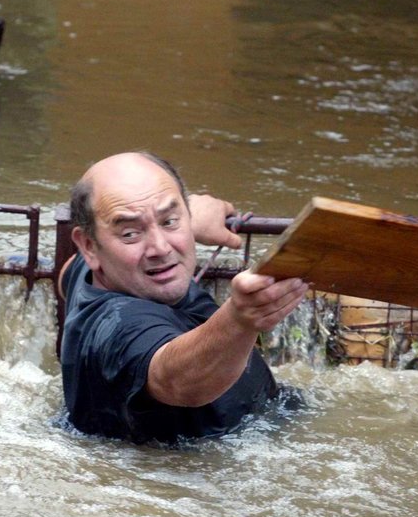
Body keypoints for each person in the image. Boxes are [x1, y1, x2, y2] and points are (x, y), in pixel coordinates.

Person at [58, 151, 309, 444]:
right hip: (209, 470)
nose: (161, 248)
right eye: (130, 233)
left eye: (169, 221)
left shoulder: (92, 271)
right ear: (89, 246)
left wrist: (186, 220)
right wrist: (239, 319)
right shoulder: (119, 326)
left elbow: (66, 271)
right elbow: (174, 380)